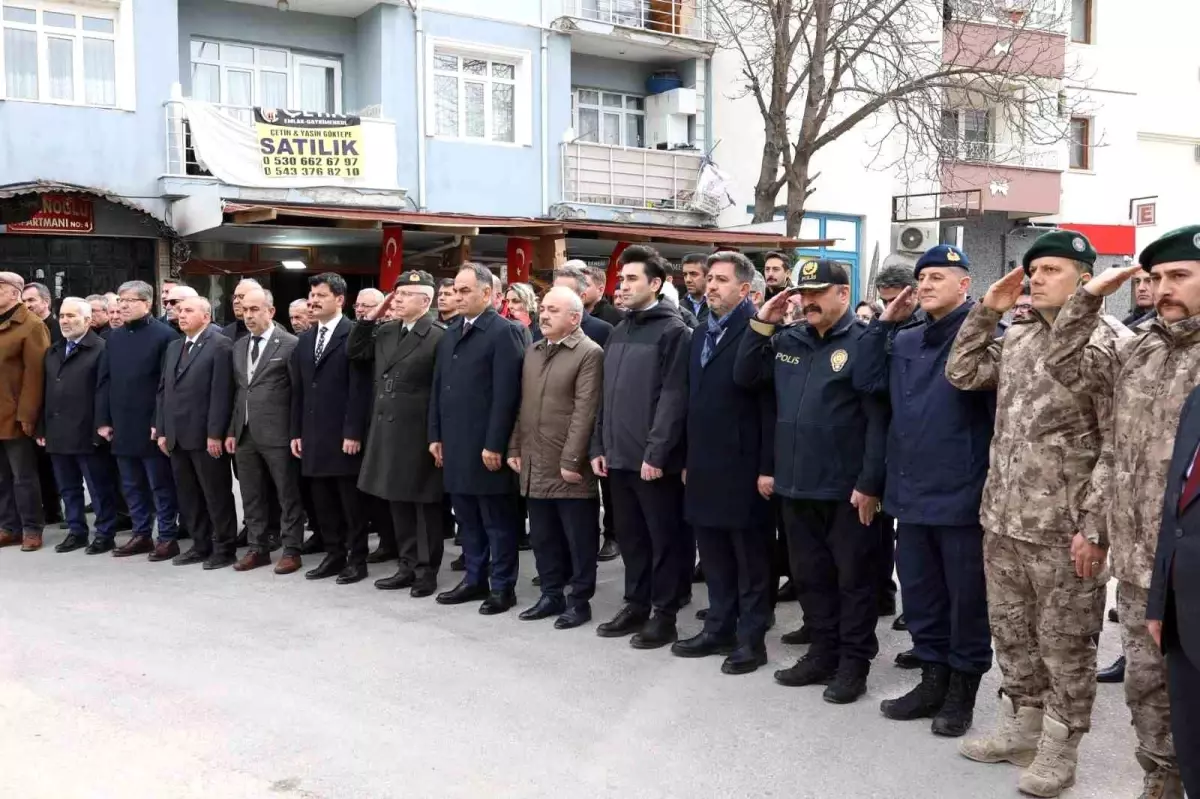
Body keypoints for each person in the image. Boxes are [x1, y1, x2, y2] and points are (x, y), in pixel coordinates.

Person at [947, 230, 1120, 797]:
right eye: (1034, 270)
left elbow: (1119, 445)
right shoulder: (1019, 335)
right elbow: (963, 373)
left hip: (1065, 528)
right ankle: (1019, 727)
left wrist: (1094, 528)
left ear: (1086, 278)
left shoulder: (1109, 342)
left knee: (1066, 642)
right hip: (1004, 517)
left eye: (1052, 269)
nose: (1037, 279)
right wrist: (987, 311)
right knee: (1012, 632)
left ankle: (1059, 746)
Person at [1045, 226, 1200, 798]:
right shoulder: (1143, 348)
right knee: (1147, 691)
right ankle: (1160, 783)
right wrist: (1089, 297)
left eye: (1179, 276)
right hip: (1141, 565)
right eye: (1157, 278)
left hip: (1194, 566)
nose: (1163, 288)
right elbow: (1066, 367)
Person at [854, 245, 995, 737]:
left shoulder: (987, 338)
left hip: (962, 494)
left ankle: (962, 693)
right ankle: (932, 680)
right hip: (910, 492)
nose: (928, 284)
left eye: (940, 276)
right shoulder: (907, 339)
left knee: (966, 601)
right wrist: (885, 325)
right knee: (920, 596)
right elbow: (867, 383)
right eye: (923, 277)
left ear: (965, 285)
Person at [734, 259, 886, 704]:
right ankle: (822, 652)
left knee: (853, 581)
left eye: (819, 291)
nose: (809, 300)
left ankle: (853, 664)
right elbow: (745, 376)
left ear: (844, 293)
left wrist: (870, 482)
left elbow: (878, 419)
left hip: (846, 490)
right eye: (804, 292)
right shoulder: (790, 340)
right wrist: (762, 322)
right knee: (810, 577)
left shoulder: (863, 342)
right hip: (796, 484)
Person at [672, 251, 774, 674]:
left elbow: (770, 407)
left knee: (749, 560)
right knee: (713, 554)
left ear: (745, 289)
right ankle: (719, 627)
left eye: (721, 280)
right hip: (704, 463)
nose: (710, 286)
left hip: (744, 464)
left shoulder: (763, 331)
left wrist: (767, 466)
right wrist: (685, 456)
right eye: (708, 279)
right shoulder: (699, 334)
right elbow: (691, 401)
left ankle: (750, 640)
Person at [590, 245, 692, 648]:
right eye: (622, 278)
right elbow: (605, 396)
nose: (624, 285)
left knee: (663, 541)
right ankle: (635, 604)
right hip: (617, 458)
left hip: (653, 463)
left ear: (656, 283)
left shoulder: (674, 331)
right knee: (631, 539)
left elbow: (674, 397)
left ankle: (664, 615)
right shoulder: (619, 330)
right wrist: (599, 443)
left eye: (633, 278)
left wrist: (657, 452)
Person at [430, 263, 525, 614]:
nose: (457, 296)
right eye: (455, 289)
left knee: (497, 523)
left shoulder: (504, 332)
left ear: (487, 293)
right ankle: (474, 578)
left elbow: (507, 395)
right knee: (466, 519)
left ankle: (502, 587)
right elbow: (440, 389)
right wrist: (435, 435)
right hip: (455, 443)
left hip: (486, 446)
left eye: (465, 290)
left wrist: (496, 443)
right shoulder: (452, 331)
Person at [507, 286, 603, 628]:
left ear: (575, 318)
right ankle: (551, 595)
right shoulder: (533, 351)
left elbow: (585, 412)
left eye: (553, 310)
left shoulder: (589, 353)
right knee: (543, 536)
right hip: (533, 459)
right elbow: (523, 406)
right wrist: (515, 447)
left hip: (567, 465)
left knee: (579, 539)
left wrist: (571, 459)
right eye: (543, 309)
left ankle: (579, 601)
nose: (543, 315)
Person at [349, 271, 447, 598]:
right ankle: (406, 565)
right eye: (396, 294)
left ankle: (426, 570)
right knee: (397, 501)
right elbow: (356, 350)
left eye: (406, 294)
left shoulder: (437, 335)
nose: (398, 299)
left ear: (426, 300)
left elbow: (440, 391)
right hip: (386, 429)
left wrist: (437, 434)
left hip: (417, 432)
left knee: (424, 505)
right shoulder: (387, 330)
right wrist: (374, 314)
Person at [291, 273, 372, 584]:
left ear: (340, 300)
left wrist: (353, 432)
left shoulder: (354, 334)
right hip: (313, 435)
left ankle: (357, 559)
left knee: (350, 504)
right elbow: (299, 389)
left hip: (342, 435)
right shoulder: (306, 339)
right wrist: (296, 432)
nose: (313, 301)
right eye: (311, 295)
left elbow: (359, 389)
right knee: (322, 502)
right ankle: (334, 554)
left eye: (320, 295)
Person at [98, 281, 181, 561]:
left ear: (147, 303)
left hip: (150, 424)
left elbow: (166, 385)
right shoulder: (114, 337)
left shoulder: (165, 336)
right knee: (131, 485)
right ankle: (141, 533)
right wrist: (103, 420)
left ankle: (168, 537)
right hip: (121, 422)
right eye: (120, 300)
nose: (122, 305)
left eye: (129, 300)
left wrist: (160, 422)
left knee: (160, 485)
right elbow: (104, 381)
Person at [225, 288, 305, 576]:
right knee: (251, 494)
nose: (249, 315)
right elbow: (239, 391)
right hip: (245, 434)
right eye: (245, 310)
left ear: (270, 312)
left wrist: (296, 432)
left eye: (255, 309)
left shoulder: (290, 344)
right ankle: (257, 547)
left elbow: (299, 394)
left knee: (287, 494)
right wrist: (233, 430)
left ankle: (292, 549)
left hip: (279, 434)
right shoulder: (239, 346)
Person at [155, 297, 236, 570]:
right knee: (189, 496)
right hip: (177, 435)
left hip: (205, 436)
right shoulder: (175, 346)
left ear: (207, 316)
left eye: (189, 310)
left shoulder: (220, 345)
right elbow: (164, 391)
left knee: (216, 495)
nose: (181, 315)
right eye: (179, 311)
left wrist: (215, 434)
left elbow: (221, 394)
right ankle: (201, 545)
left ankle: (224, 548)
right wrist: (163, 430)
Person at [37, 297, 120, 554]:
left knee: (98, 488)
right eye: (62, 316)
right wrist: (42, 428)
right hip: (58, 432)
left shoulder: (101, 349)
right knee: (69, 488)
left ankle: (105, 534)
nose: (65, 321)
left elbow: (105, 391)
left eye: (72, 316)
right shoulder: (53, 351)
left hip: (88, 432)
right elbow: (45, 392)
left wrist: (102, 425)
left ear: (87, 320)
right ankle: (77, 532)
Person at [1150, 383, 1200, 799]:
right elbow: (1176, 505)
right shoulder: (1198, 398)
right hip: (1183, 611)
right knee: (1192, 751)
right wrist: (1158, 603)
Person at [0, 273, 49, 552]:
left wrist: (28, 414)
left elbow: (36, 373)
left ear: (15, 292)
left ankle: (31, 528)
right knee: (1, 477)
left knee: (23, 476)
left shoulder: (31, 325)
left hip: (16, 415)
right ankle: (8, 526)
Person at [553, 265, 614, 348]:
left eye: (586, 285)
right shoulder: (545, 327)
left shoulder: (604, 329)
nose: (558, 295)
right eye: (555, 291)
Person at [680, 253, 711, 324]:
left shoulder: (719, 306)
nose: (688, 280)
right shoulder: (678, 307)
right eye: (685, 275)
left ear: (708, 276)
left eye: (693, 274)